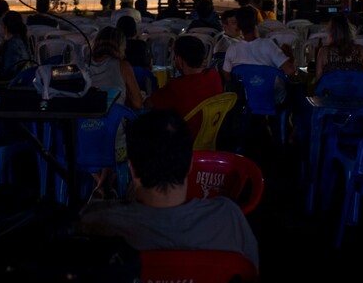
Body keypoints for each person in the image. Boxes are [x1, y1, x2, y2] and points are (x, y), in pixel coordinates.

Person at [76, 109, 259, 271]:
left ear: (132, 169)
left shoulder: (96, 222)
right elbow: (249, 278)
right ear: (189, 165)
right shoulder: (228, 219)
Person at [145, 35, 224, 134]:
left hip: (183, 139)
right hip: (211, 135)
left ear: (178, 59)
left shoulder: (177, 86)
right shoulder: (214, 76)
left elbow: (149, 104)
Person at [221, 5, 295, 84]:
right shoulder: (268, 45)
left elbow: (227, 77)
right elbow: (290, 71)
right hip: (271, 94)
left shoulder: (232, 49)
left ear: (239, 25)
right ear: (256, 23)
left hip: (246, 95)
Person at [87, 26, 143, 111]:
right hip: (114, 121)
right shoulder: (122, 66)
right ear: (120, 46)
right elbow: (138, 104)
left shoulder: (83, 65)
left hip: (83, 121)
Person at [314, 14, 363, 82]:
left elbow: (319, 80)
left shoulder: (323, 52)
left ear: (331, 33)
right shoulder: (362, 50)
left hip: (332, 91)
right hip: (355, 91)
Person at [0, 11, 33, 81]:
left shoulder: (11, 45)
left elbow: (9, 71)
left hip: (11, 84)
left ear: (5, 27)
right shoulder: (22, 40)